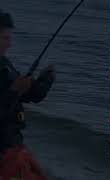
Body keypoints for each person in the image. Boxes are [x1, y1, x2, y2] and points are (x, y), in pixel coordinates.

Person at [0, 10, 55, 179]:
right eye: (5, 38)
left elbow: (31, 96)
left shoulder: (5, 65)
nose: (10, 44)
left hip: (14, 143)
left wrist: (45, 80)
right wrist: (13, 91)